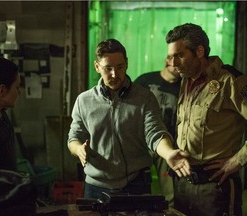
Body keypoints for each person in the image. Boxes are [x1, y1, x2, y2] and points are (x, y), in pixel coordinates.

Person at [67, 39, 187, 200]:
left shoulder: (144, 97)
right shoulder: (84, 100)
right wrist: (79, 149)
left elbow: (155, 132)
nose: (115, 74)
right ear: (97, 67)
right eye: (108, 68)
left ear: (127, 64)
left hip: (136, 184)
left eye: (120, 67)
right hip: (96, 187)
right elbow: (74, 137)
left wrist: (168, 153)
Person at [164, 23, 247, 216]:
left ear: (199, 51)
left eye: (179, 55)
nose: (173, 64)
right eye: (171, 57)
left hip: (216, 186)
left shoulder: (230, 81)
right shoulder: (186, 80)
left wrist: (238, 160)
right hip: (184, 184)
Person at [134, 59, 181, 206]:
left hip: (167, 144)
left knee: (170, 192)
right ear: (166, 61)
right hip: (141, 143)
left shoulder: (185, 86)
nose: (175, 63)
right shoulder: (146, 80)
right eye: (172, 58)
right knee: (137, 187)